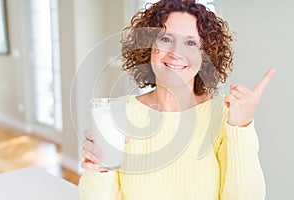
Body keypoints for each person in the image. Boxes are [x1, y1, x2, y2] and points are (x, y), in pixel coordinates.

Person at [78, 0, 275, 199]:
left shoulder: (226, 114)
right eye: (165, 39)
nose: (175, 53)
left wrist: (242, 127)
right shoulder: (118, 112)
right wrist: (100, 170)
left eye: (190, 43)